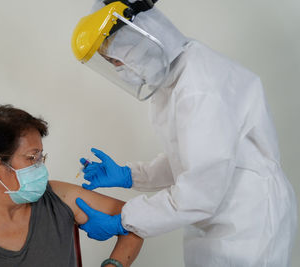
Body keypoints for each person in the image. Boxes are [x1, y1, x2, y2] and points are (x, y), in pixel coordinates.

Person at [70, 0, 298, 266]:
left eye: (117, 61)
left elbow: (200, 190)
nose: (120, 72)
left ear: (140, 42)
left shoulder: (199, 88)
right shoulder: (177, 76)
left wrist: (124, 219)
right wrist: (131, 175)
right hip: (222, 217)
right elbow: (191, 158)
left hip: (248, 223)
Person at [0, 104, 143, 267]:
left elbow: (139, 220)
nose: (41, 167)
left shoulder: (58, 197)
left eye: (41, 157)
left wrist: (113, 264)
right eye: (31, 158)